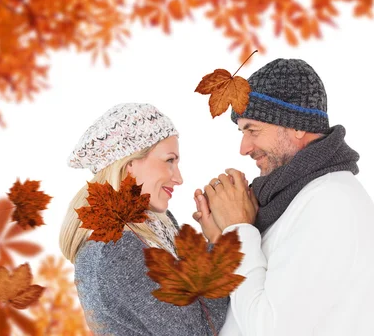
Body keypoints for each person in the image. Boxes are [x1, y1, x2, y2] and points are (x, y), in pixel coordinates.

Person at [192, 58, 374, 335]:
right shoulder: (292, 197)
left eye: (252, 129)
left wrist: (237, 231)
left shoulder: (331, 202)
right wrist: (223, 243)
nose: (244, 147)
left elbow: (269, 328)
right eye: (242, 131)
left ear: (297, 125)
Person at [60, 102, 229, 335]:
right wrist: (219, 242)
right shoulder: (120, 248)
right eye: (169, 160)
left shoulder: (155, 224)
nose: (178, 178)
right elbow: (201, 329)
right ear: (130, 166)